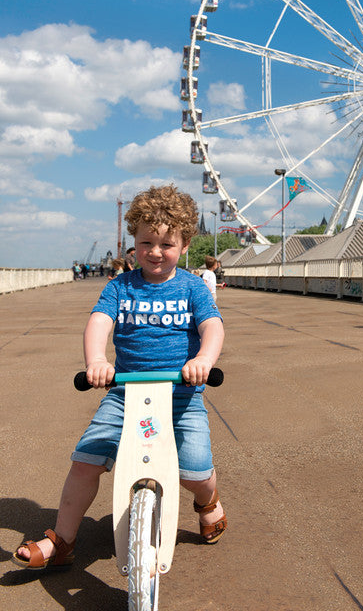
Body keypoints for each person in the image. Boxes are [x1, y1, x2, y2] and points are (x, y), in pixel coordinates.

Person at [12, 184, 226, 571]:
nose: (156, 252)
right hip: (125, 393)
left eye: (167, 244)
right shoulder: (120, 287)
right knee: (86, 461)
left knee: (195, 471)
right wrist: (96, 359)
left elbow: (212, 326)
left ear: (185, 243)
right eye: (146, 243)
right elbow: (99, 322)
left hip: (182, 396)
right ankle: (62, 539)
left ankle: (207, 502)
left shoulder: (193, 287)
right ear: (134, 242)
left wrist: (203, 359)